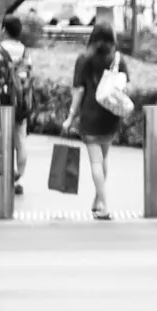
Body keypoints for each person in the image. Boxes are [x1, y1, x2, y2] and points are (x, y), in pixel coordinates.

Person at [63, 22, 129, 220]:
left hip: (90, 114)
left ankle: (104, 205)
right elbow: (126, 85)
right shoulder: (118, 59)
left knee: (95, 161)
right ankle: (97, 200)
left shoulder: (84, 59)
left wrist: (70, 117)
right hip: (111, 114)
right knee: (103, 157)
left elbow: (79, 90)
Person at [0, 13, 31, 196]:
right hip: (21, 101)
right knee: (20, 139)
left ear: (3, 29)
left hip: (2, 101)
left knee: (3, 140)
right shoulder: (24, 51)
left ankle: (6, 177)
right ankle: (18, 176)